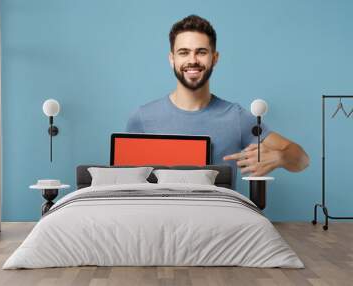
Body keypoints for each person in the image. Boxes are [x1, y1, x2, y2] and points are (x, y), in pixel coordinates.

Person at [126, 15, 309, 180]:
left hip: (220, 216)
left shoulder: (236, 118)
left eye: (201, 52)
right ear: (172, 59)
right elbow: (127, 184)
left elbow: (302, 159)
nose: (193, 60)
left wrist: (280, 157)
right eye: (183, 52)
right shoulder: (142, 118)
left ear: (215, 58)